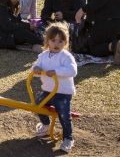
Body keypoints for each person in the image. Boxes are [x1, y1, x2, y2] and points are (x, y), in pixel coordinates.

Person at [31, 22, 78, 153]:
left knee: (64, 115)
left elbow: (72, 71)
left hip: (62, 92)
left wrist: (57, 71)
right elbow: (35, 66)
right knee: (37, 104)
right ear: (47, 41)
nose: (57, 44)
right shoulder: (44, 55)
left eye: (60, 41)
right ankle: (46, 125)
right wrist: (36, 68)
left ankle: (68, 138)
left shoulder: (66, 56)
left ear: (65, 42)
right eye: (53, 40)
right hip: (48, 91)